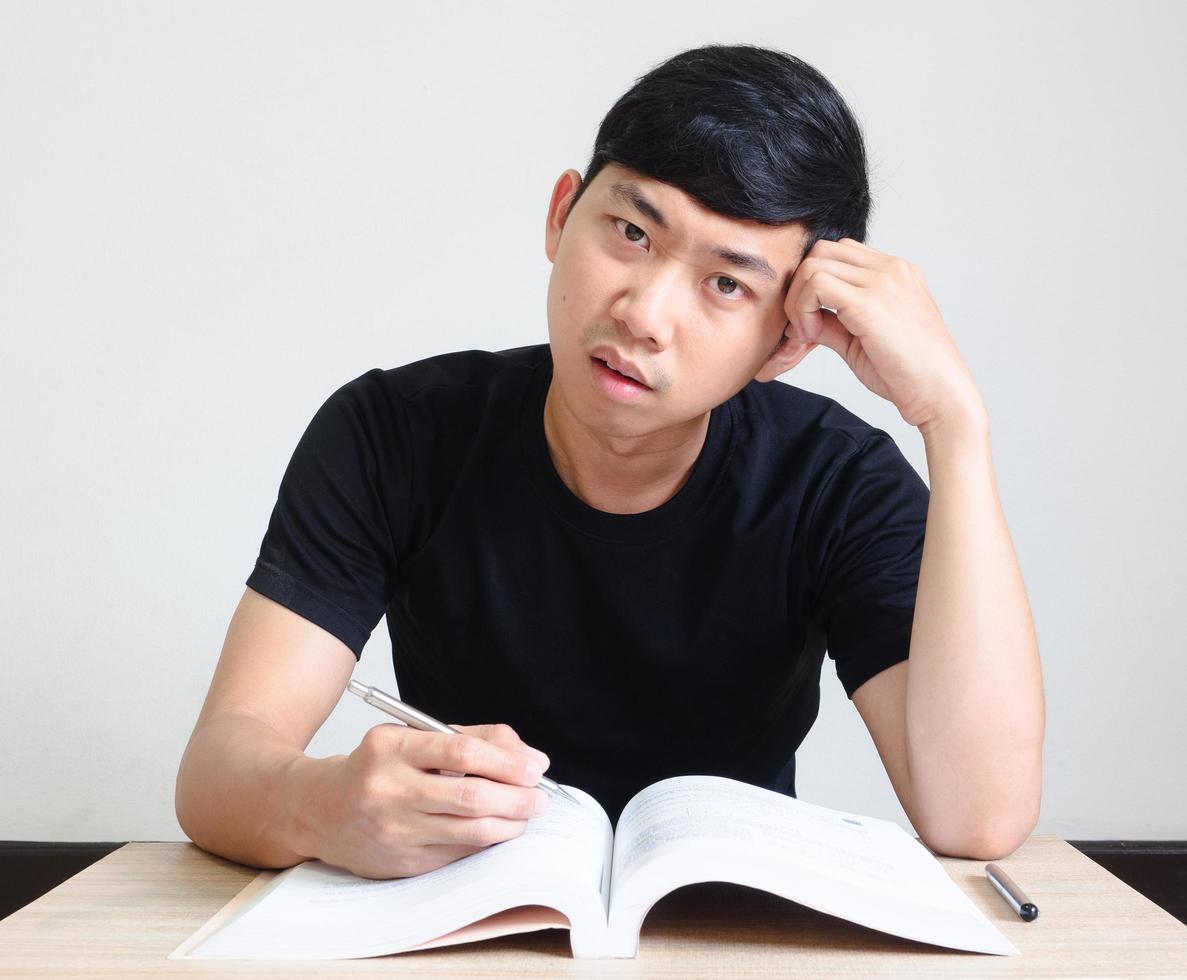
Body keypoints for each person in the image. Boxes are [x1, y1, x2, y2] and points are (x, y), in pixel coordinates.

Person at [175, 43, 1044, 880]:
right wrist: (318, 803)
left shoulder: (834, 481)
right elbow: (218, 769)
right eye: (631, 231)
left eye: (726, 284)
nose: (644, 313)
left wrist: (954, 423)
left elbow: (977, 815)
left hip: (724, 940)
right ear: (561, 215)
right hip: (464, 930)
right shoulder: (390, 434)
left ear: (786, 340)